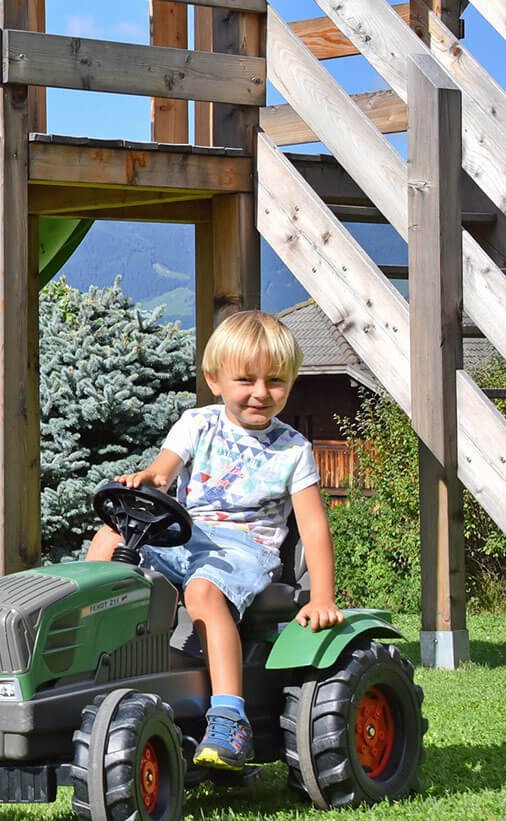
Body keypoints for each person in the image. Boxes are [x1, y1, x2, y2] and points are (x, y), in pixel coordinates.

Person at [85, 310, 342, 771]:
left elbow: (314, 526)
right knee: (109, 541)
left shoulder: (292, 450)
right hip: (184, 536)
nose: (261, 393)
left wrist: (321, 596)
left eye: (276, 381)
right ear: (215, 379)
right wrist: (147, 477)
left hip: (244, 550)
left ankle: (228, 718)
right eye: (246, 379)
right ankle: (89, 667)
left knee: (202, 591)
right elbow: (162, 472)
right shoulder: (197, 424)